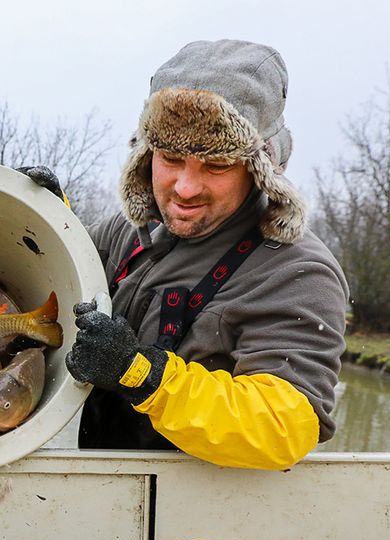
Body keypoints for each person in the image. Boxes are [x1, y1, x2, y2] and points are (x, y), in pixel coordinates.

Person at [29, 40, 348, 470]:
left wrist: (141, 374)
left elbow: (282, 427)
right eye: (171, 158)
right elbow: (64, 282)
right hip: (98, 489)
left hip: (201, 519)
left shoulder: (297, 272)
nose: (184, 188)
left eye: (216, 166)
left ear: (260, 170)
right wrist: (47, 224)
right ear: (146, 154)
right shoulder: (127, 230)